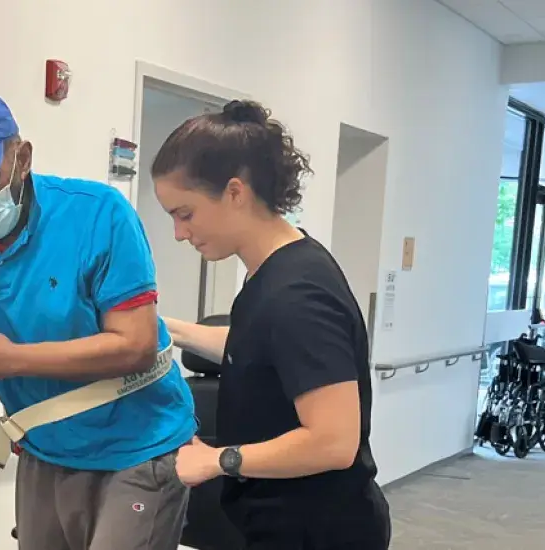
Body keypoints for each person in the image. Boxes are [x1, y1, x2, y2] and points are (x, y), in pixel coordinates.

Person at [0, 91, 195, 550]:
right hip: (45, 447)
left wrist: (14, 360)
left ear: (22, 157)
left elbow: (135, 344)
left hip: (136, 445)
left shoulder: (99, 214)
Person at [152, 100, 391, 548]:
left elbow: (334, 441)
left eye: (185, 214)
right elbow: (257, 349)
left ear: (235, 193)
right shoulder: (276, 269)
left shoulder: (298, 293)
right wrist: (168, 330)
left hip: (319, 532)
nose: (179, 234)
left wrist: (218, 460)